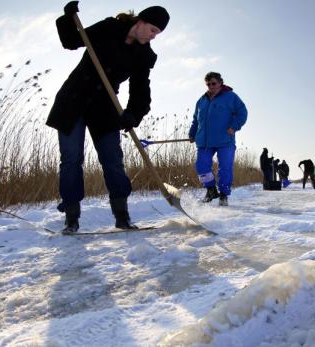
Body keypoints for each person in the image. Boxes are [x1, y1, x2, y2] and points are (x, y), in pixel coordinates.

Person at [46, 3, 170, 233]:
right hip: (74, 100)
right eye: (153, 30)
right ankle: (71, 218)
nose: (154, 36)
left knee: (112, 159)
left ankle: (122, 216)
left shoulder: (144, 54)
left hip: (105, 106)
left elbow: (141, 90)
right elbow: (72, 41)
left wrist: (133, 113)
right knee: (72, 159)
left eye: (157, 33)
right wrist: (68, 17)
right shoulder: (110, 27)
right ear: (140, 21)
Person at [189, 71, 248, 206]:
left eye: (213, 83)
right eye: (208, 84)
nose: (211, 86)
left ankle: (223, 195)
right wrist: (192, 133)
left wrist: (234, 126)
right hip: (205, 141)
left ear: (220, 83)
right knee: (201, 166)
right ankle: (211, 190)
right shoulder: (201, 100)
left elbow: (242, 112)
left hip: (225, 140)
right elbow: (195, 120)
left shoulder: (231, 97)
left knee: (225, 168)